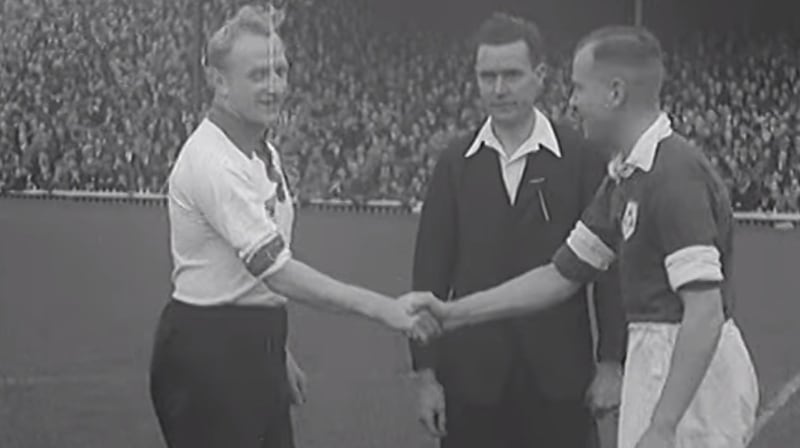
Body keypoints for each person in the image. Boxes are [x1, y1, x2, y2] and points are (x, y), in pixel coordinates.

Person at [407, 26, 759, 448]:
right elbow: (560, 275)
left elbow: (704, 313)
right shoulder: (625, 176)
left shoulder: (674, 175)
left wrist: (664, 425)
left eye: (579, 88)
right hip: (655, 366)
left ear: (615, 93)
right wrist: (453, 313)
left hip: (689, 381)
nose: (572, 102)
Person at [148, 6, 437, 448]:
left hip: (253, 344)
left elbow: (252, 280)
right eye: (258, 75)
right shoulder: (214, 161)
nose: (274, 86)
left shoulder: (262, 149)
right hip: (208, 353)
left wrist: (273, 353)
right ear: (220, 82)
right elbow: (277, 271)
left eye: (280, 71)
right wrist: (383, 308)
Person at [407, 13, 626, 448]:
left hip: (561, 382)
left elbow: (608, 271)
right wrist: (426, 375)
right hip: (472, 382)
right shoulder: (454, 164)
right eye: (487, 76)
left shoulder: (581, 158)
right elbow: (429, 274)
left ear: (539, 76)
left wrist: (611, 363)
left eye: (511, 75)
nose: (499, 88)